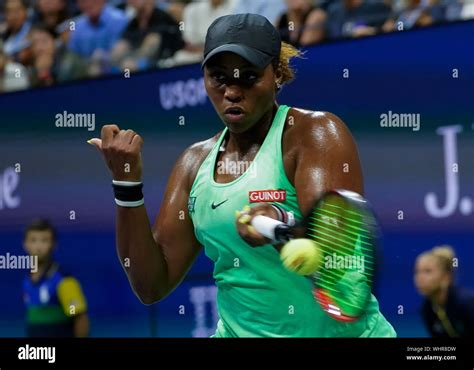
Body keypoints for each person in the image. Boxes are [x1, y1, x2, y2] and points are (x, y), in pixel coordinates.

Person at [89, 13, 395, 337]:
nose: (232, 92)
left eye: (247, 77)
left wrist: (280, 220)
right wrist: (126, 182)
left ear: (277, 73)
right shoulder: (193, 164)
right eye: (219, 78)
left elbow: (336, 256)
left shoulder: (314, 134)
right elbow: (151, 284)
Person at [23, 219, 89, 337]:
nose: (38, 247)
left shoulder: (64, 280)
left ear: (53, 244)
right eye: (33, 240)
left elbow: (80, 319)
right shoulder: (27, 280)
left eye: (44, 240)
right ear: (25, 244)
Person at [414, 245, 474, 337]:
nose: (420, 277)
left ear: (446, 277)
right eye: (417, 271)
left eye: (427, 271)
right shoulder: (427, 308)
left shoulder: (467, 303)